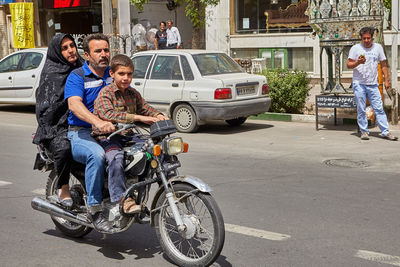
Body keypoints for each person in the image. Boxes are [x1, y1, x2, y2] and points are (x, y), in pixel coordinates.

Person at [92, 54, 168, 214]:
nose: (126, 78)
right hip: (109, 138)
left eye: (129, 74)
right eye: (121, 74)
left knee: (157, 151)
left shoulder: (132, 93)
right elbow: (108, 114)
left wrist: (158, 115)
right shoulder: (106, 93)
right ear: (112, 74)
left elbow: (145, 108)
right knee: (116, 160)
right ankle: (122, 200)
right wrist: (140, 118)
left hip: (129, 136)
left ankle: (168, 189)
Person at [64, 33, 115, 232]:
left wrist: (153, 115)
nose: (103, 54)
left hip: (109, 130)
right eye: (98, 51)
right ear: (87, 55)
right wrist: (97, 121)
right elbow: (74, 105)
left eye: (106, 50)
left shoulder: (113, 74)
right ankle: (94, 210)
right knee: (97, 155)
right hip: (80, 132)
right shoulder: (77, 76)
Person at [33, 33, 84, 208]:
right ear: (57, 52)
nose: (71, 50)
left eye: (72, 45)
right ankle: (63, 188)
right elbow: (45, 109)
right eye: (65, 48)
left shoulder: (81, 67)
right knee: (64, 148)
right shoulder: (51, 73)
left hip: (81, 122)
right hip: (55, 127)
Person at [347, 27, 398, 141]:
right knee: (361, 108)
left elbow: (384, 64)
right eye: (364, 38)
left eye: (368, 38)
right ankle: (364, 132)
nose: (366, 40)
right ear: (361, 38)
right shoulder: (355, 48)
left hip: (373, 84)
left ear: (372, 38)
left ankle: (385, 132)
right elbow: (348, 64)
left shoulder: (378, 48)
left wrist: (386, 80)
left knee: (379, 108)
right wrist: (358, 62)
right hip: (359, 83)